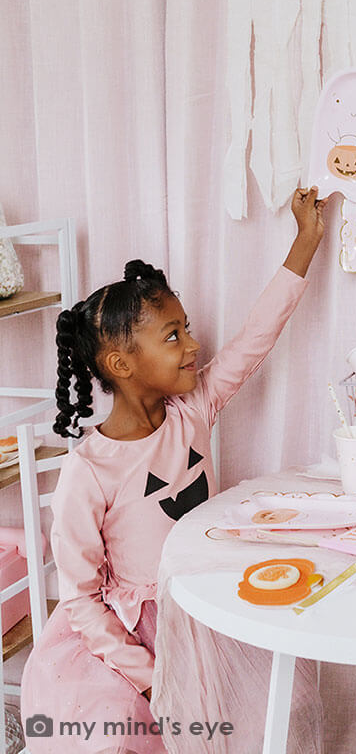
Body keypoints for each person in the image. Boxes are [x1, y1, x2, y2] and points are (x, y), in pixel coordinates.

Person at [21, 188, 328, 754]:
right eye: (173, 336)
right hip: (128, 636)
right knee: (116, 732)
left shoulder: (195, 409)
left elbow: (257, 336)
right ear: (121, 363)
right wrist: (148, 675)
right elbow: (81, 599)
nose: (194, 343)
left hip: (201, 600)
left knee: (277, 701)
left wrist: (305, 241)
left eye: (186, 328)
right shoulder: (89, 470)